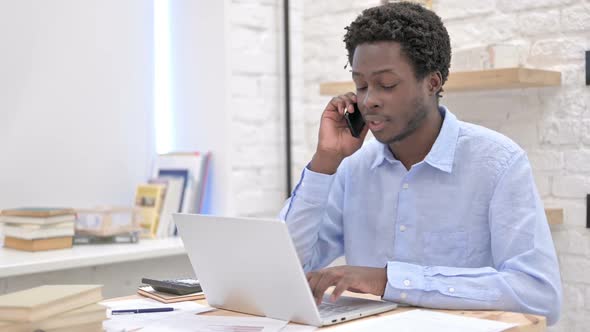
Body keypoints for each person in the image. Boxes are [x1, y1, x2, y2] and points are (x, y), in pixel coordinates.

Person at [279, 1, 562, 325]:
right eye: (360, 85)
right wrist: (324, 163)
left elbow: (540, 295)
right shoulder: (352, 168)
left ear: (432, 83)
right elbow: (284, 268)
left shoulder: (497, 163)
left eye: (386, 84)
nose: (368, 99)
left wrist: (389, 281)